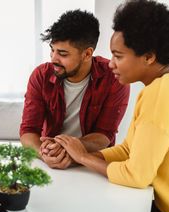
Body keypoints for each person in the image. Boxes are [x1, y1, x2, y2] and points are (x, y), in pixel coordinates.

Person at [55, 1, 169, 212]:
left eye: (119, 56)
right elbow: (128, 151)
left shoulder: (163, 93)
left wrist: (84, 158)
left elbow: (136, 176)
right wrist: (79, 156)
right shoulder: (165, 86)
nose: (111, 64)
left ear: (149, 57)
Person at [20, 9, 130, 169]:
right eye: (52, 50)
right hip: (50, 160)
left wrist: (68, 147)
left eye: (62, 54)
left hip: (93, 164)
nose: (53, 58)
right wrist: (45, 154)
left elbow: (104, 134)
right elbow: (28, 131)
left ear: (87, 54)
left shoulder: (114, 78)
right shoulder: (40, 76)